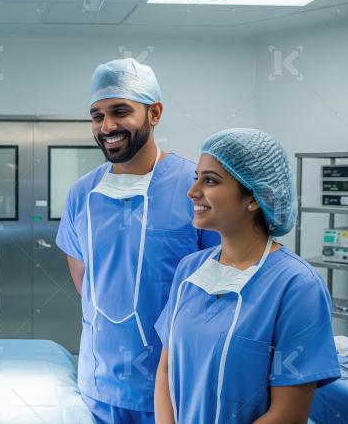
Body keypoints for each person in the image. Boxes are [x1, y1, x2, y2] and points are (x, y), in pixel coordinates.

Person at [56, 58, 219, 424]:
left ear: (155, 113)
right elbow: (85, 282)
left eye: (120, 111)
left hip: (177, 385)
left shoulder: (194, 188)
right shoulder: (82, 194)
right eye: (97, 116)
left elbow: (217, 289)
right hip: (99, 384)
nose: (107, 126)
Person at [153, 129, 341, 423]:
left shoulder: (296, 286)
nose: (193, 191)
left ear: (256, 198)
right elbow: (166, 369)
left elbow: (288, 415)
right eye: (196, 177)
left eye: (210, 180)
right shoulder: (190, 269)